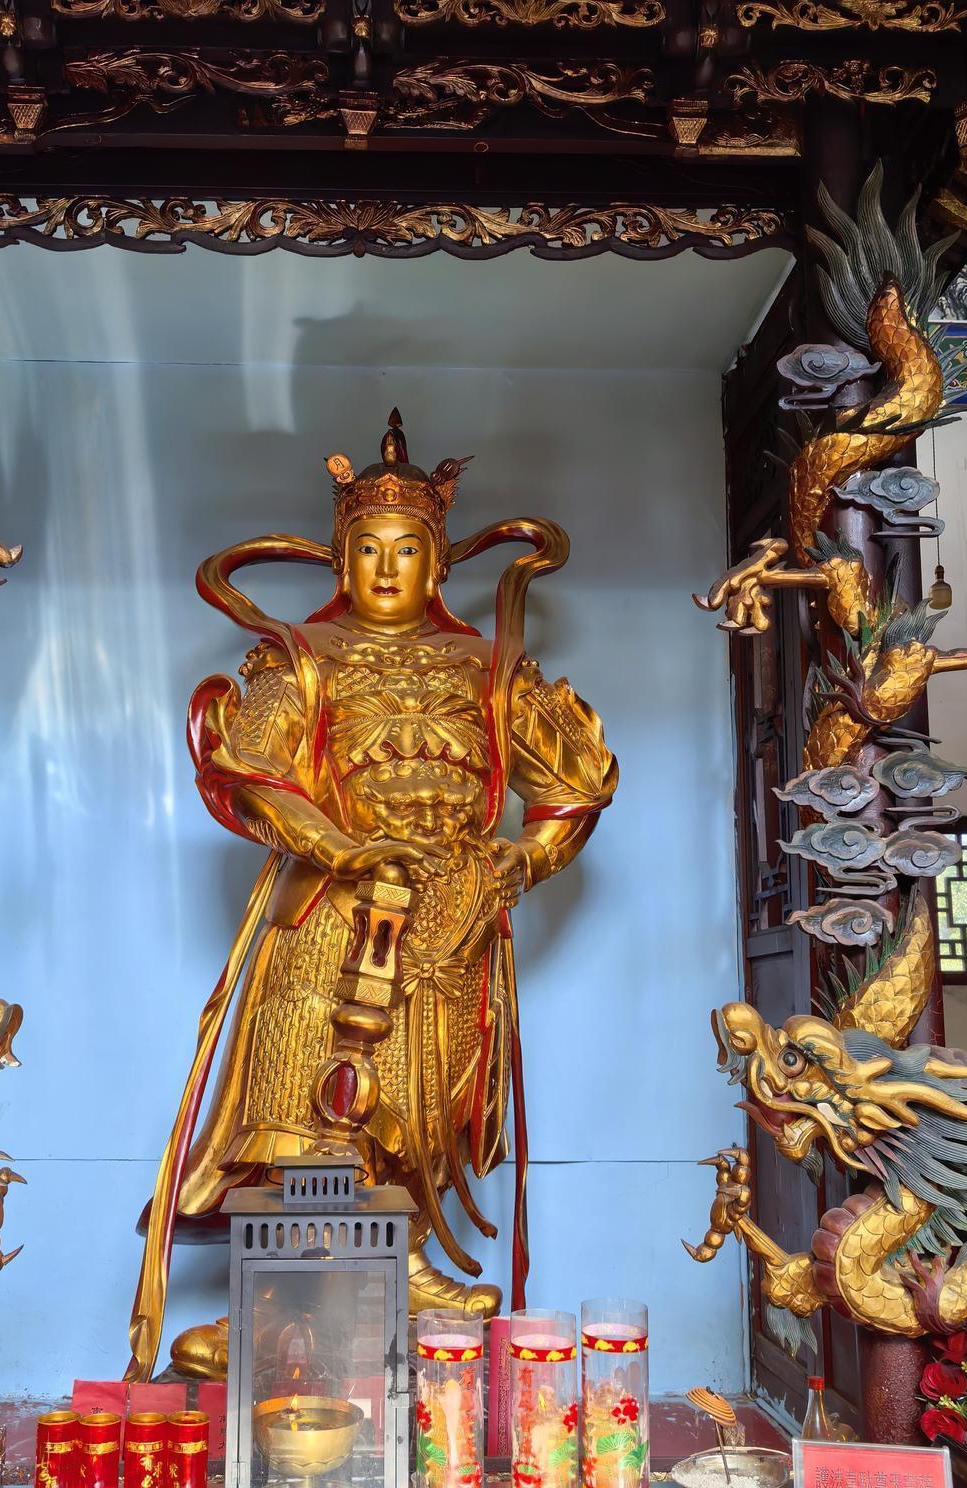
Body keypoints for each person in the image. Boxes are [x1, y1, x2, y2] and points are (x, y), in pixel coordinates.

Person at [126, 411, 617, 1381]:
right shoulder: (299, 657)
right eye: (367, 548)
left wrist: (515, 862)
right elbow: (253, 774)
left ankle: (407, 1263)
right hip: (328, 903)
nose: (387, 568)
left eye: (407, 549)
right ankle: (279, 1300)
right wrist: (339, 845)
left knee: (421, 1094)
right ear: (340, 557)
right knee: (301, 1085)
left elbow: (573, 788)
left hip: (449, 914)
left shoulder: (488, 669)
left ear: (436, 563)